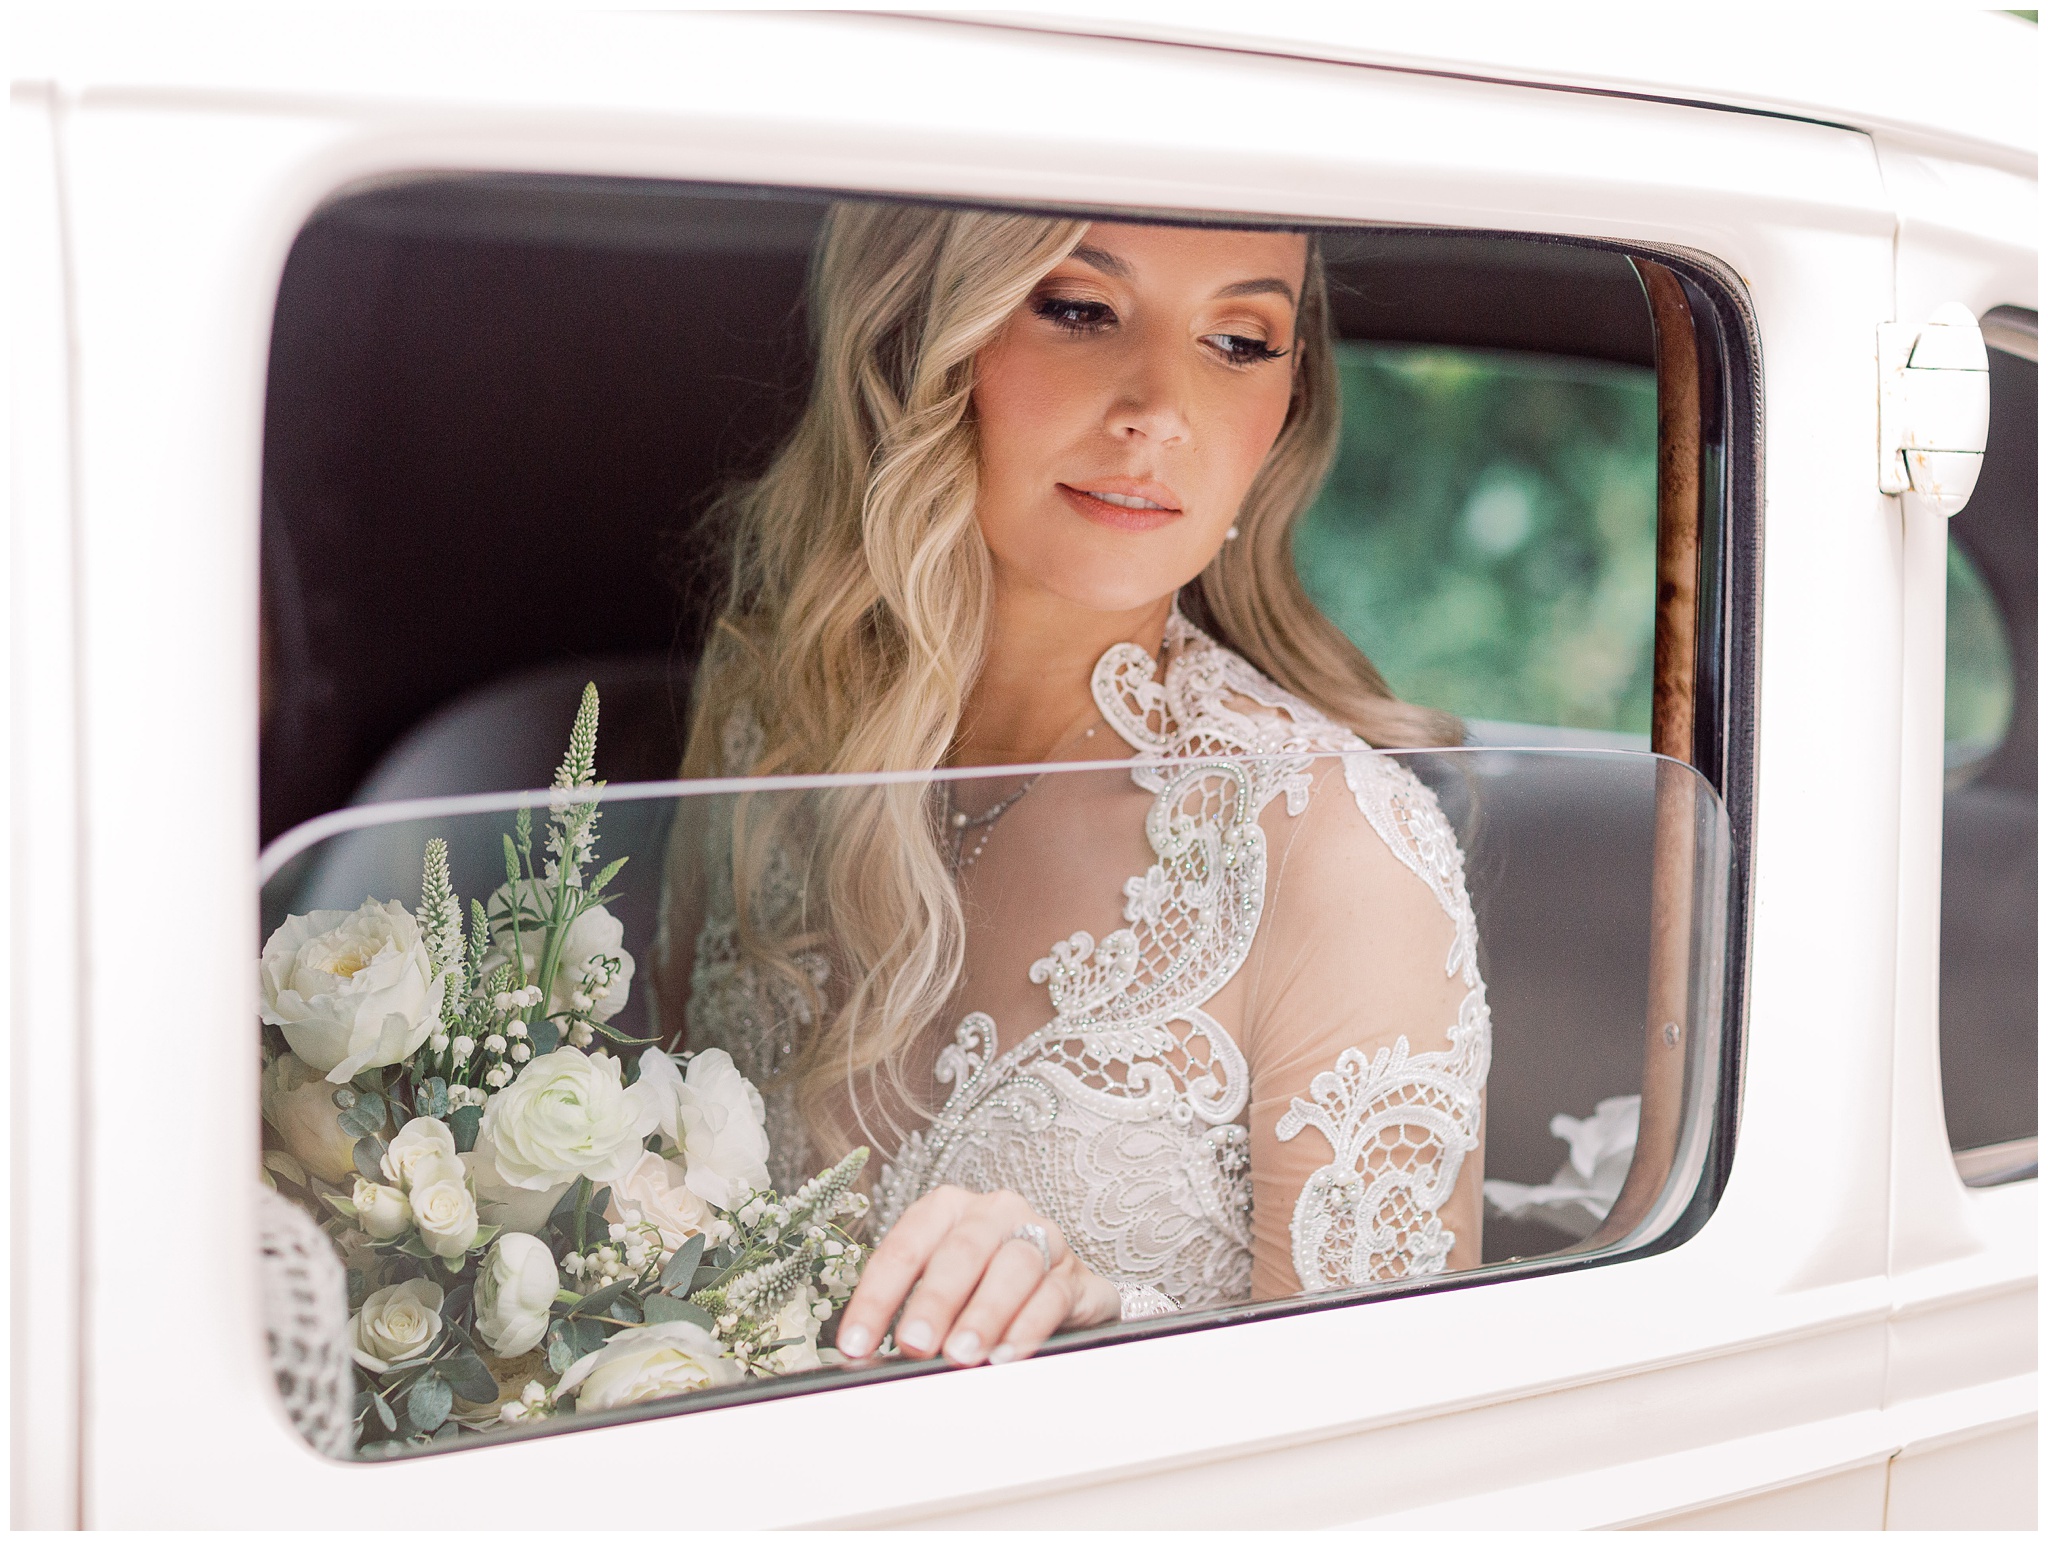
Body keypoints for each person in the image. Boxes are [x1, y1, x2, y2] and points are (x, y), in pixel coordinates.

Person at [652, 202, 1490, 1370]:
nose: (1159, 410)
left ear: (1285, 400)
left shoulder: (1334, 850)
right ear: (915, 339)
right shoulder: (767, 729)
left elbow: (1389, 1420)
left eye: (1238, 341)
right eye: (1080, 309)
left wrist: (1102, 1330)